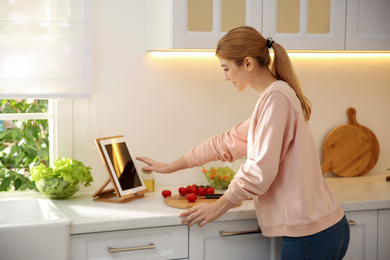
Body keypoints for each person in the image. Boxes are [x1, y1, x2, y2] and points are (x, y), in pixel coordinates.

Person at [137, 26, 350, 259]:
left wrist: (217, 208)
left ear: (248, 64)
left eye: (226, 68)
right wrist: (169, 166)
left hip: (312, 236)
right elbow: (227, 142)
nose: (226, 77)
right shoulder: (272, 97)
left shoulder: (276, 98)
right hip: (323, 230)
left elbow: (259, 171)